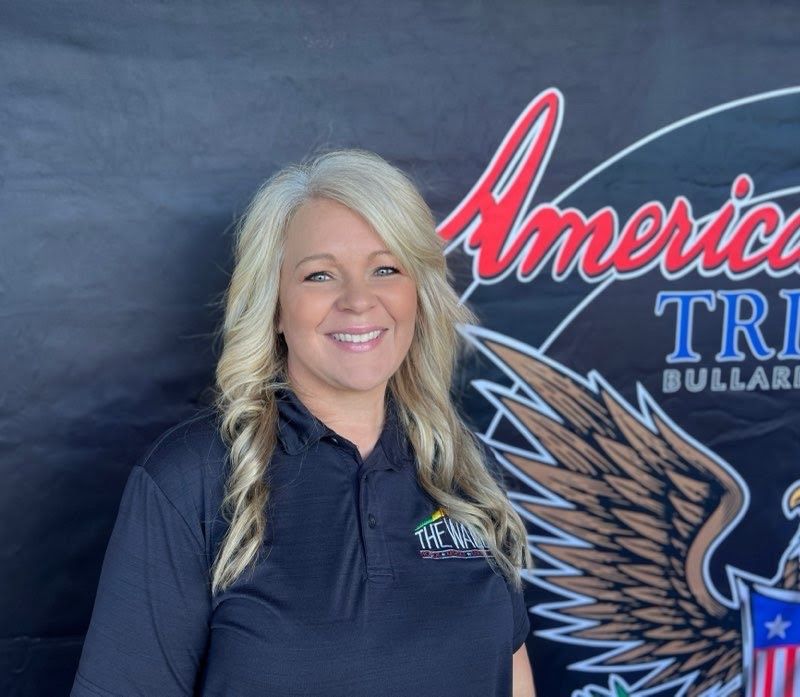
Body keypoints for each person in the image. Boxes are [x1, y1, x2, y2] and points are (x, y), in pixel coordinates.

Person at [70, 149, 536, 697]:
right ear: (275, 306)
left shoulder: (457, 464)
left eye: (385, 269)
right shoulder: (190, 479)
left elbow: (513, 680)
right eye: (320, 275)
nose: (360, 301)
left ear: (418, 293)